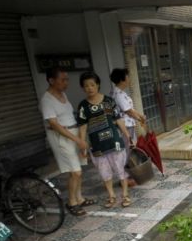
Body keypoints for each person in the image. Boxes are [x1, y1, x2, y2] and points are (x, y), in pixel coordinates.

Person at [40, 67, 94, 216]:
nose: (66, 82)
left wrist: (79, 137)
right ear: (51, 81)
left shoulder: (62, 94)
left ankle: (80, 198)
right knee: (75, 172)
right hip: (61, 138)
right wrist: (77, 139)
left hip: (73, 133)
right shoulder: (47, 100)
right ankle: (71, 202)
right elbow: (54, 124)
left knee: (79, 170)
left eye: (67, 79)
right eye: (62, 79)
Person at [77, 71, 132, 208]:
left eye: (92, 85)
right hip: (97, 146)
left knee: (120, 169)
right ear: (82, 88)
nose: (89, 88)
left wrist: (127, 135)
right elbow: (83, 127)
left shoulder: (108, 101)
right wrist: (82, 145)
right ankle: (111, 195)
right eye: (86, 86)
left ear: (98, 85)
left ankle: (125, 195)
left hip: (114, 141)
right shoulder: (83, 106)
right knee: (104, 172)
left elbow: (118, 119)